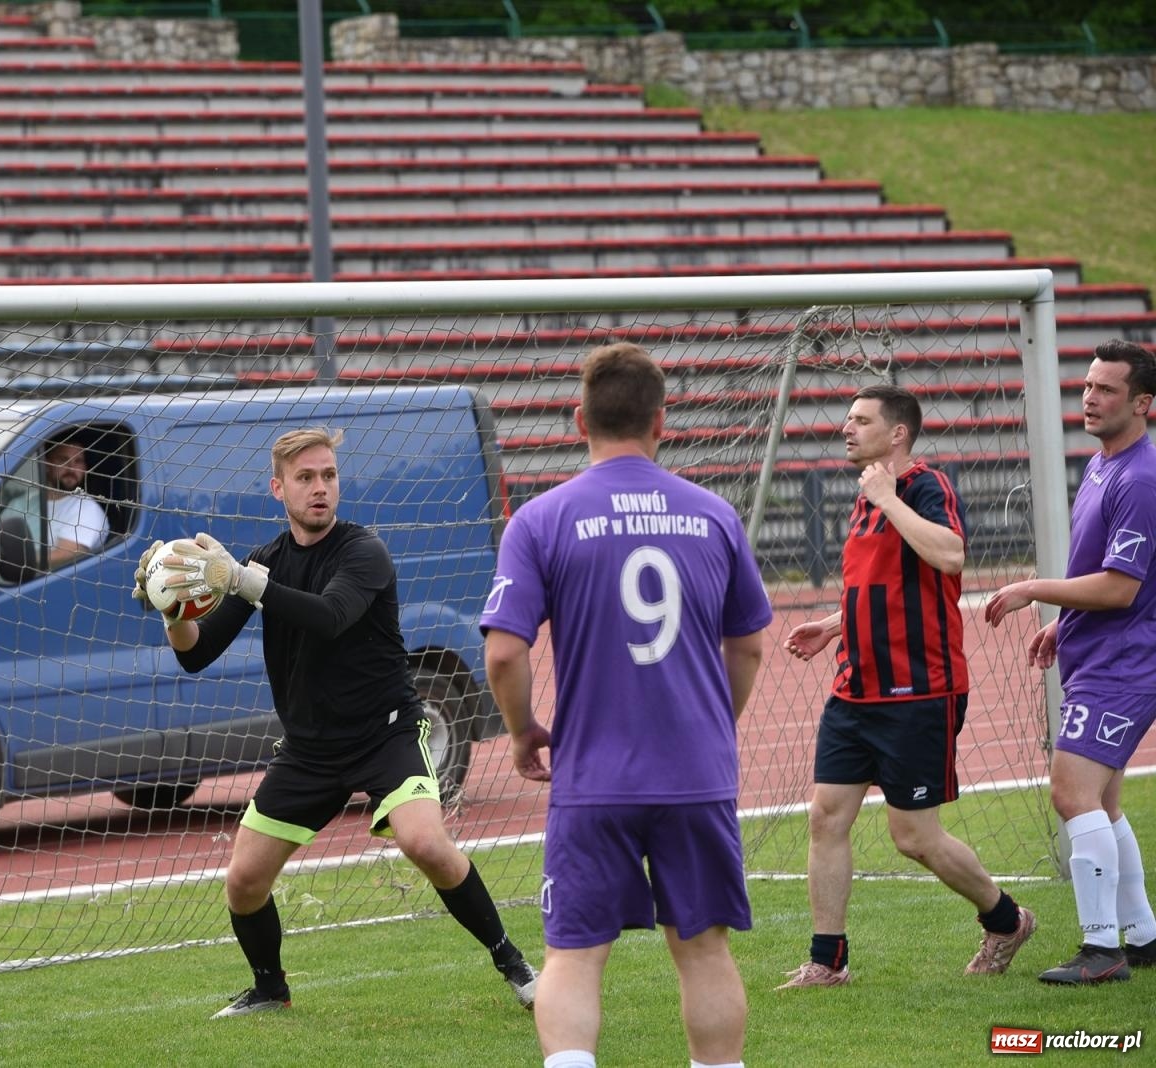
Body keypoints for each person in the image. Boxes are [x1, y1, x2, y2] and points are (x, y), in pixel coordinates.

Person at [132, 427, 538, 1019]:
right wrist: (172, 608)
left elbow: (329, 617)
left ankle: (516, 965)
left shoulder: (362, 551)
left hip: (387, 732)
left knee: (425, 842)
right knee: (244, 881)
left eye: (328, 475)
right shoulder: (265, 563)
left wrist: (243, 581)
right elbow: (195, 655)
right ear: (279, 489)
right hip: (308, 750)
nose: (320, 488)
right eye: (305, 478)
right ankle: (270, 989)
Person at [481, 342, 770, 1068]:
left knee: (573, 956)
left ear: (578, 418)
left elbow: (504, 652)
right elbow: (751, 647)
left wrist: (522, 733)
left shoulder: (542, 520)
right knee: (703, 950)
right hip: (694, 773)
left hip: (594, 777)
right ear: (660, 422)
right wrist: (711, 725)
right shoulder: (712, 516)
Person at [777, 383, 1035, 989]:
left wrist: (889, 498)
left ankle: (1006, 919)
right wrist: (832, 625)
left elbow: (948, 556)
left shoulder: (922, 485)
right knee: (825, 817)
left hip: (918, 691)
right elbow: (886, 586)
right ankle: (827, 961)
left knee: (913, 837)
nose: (847, 428)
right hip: (854, 689)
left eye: (861, 420)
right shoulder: (868, 497)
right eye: (847, 419)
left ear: (897, 433)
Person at [983, 338, 1156, 984]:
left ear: (1143, 403)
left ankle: (1101, 950)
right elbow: (1106, 577)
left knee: (1071, 792)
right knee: (1103, 802)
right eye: (1087, 385)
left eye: (1107, 389)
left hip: (1124, 665)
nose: (1089, 396)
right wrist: (1064, 623)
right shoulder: (1104, 464)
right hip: (1102, 651)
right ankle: (1140, 933)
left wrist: (1033, 588)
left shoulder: (1139, 478)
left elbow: (1122, 587)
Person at [43, 439, 109, 567]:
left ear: (85, 468)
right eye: (63, 459)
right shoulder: (24, 501)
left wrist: (14, 561)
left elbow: (62, 557)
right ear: (47, 465)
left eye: (78, 462)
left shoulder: (88, 509)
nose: (71, 468)